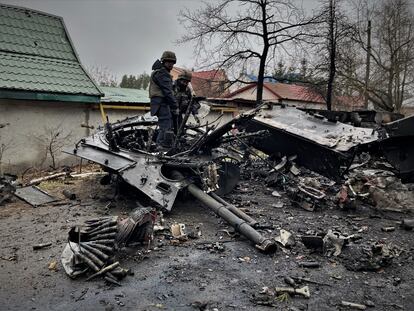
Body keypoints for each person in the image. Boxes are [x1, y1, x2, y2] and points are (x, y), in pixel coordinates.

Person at [149, 51, 178, 149]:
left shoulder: (160, 72)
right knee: (166, 125)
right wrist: (175, 105)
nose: (171, 64)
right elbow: (168, 92)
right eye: (168, 62)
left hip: (160, 102)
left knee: (166, 124)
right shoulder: (162, 73)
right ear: (163, 61)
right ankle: (161, 146)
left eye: (172, 62)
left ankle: (162, 145)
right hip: (161, 102)